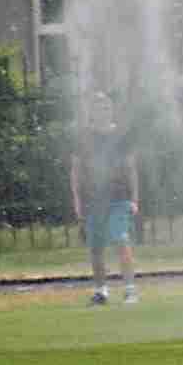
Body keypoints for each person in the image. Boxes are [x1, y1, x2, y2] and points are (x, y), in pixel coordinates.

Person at [70, 92, 139, 306]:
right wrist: (77, 200)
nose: (102, 111)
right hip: (92, 200)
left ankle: (130, 290)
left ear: (111, 110)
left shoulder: (121, 136)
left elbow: (131, 168)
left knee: (121, 240)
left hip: (118, 198)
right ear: (92, 112)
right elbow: (75, 170)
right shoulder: (83, 137)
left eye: (105, 107)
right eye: (97, 107)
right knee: (96, 247)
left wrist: (135, 198)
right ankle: (101, 291)